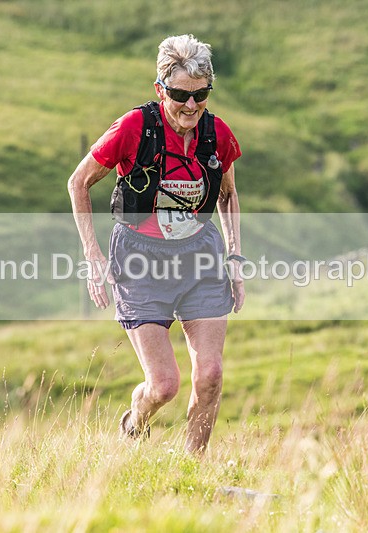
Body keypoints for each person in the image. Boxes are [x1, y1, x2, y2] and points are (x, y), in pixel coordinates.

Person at [67, 34, 244, 454]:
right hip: (140, 261)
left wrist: (235, 256)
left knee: (210, 375)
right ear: (160, 89)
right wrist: (93, 257)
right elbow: (78, 183)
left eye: (200, 95)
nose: (190, 105)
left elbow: (228, 194)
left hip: (200, 257)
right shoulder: (133, 128)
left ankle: (193, 465)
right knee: (164, 386)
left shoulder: (216, 133)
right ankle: (135, 419)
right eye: (181, 94)